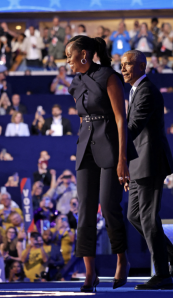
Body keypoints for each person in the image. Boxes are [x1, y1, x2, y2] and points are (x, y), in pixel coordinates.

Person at [66, 35, 136, 292]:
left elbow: (120, 119)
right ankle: (89, 274)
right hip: (85, 149)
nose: (68, 62)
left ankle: (121, 260)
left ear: (83, 54)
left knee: (108, 206)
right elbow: (83, 118)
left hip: (109, 145)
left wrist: (122, 159)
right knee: (85, 210)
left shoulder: (109, 76)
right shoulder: (75, 82)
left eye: (69, 56)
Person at [121, 50, 173, 290]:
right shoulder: (134, 91)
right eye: (121, 65)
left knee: (149, 217)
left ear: (142, 66)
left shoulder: (147, 90)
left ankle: (162, 274)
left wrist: (108, 133)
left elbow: (132, 128)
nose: (123, 69)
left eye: (128, 64)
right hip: (138, 162)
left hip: (150, 161)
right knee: (133, 215)